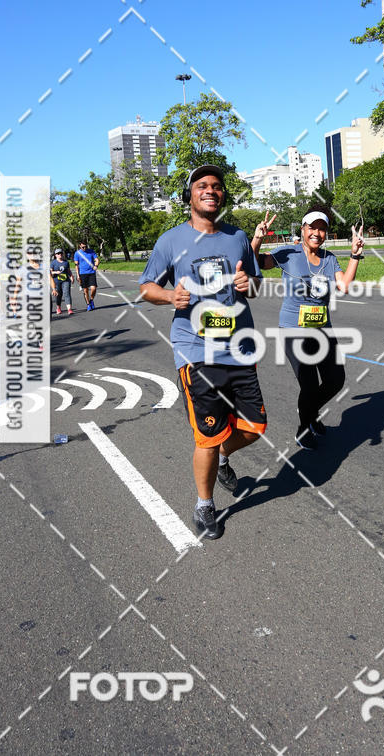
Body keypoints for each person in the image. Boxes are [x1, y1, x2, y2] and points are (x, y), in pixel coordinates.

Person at [139, 164, 267, 541]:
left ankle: (224, 457)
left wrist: (250, 283)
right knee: (206, 437)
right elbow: (147, 287)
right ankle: (205, 504)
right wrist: (169, 296)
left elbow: (256, 286)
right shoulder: (170, 240)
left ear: (222, 195)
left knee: (255, 427)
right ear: (190, 195)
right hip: (194, 351)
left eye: (216, 186)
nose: (210, 190)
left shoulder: (238, 237)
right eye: (201, 186)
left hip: (240, 348)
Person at [252, 208, 364, 450]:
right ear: (302, 230)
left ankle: (309, 410)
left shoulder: (329, 258)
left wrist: (355, 256)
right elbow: (256, 262)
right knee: (310, 384)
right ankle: (304, 428)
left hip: (322, 329)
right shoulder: (287, 253)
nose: (317, 233)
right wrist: (258, 239)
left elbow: (344, 286)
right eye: (311, 227)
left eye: (321, 228)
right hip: (293, 329)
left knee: (336, 380)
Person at [74, 241, 99, 310]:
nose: (84, 248)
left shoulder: (91, 251)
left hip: (91, 272)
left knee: (93, 288)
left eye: (85, 246)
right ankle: (88, 304)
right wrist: (77, 275)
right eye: (82, 247)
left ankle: (91, 300)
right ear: (80, 246)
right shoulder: (77, 253)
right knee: (85, 290)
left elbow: (97, 260)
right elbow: (76, 265)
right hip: (82, 273)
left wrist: (96, 265)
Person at [50, 248, 73, 315]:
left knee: (67, 293)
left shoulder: (66, 262)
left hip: (65, 280)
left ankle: (69, 309)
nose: (60, 254)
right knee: (58, 295)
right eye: (58, 253)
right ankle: (58, 308)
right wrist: (55, 272)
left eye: (61, 253)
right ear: (55, 255)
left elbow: (68, 271)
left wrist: (71, 276)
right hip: (56, 281)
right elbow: (50, 272)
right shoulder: (53, 262)